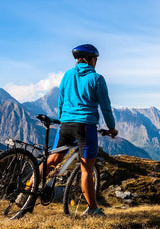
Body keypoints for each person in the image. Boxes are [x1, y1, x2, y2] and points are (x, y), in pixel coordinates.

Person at [45, 44, 118, 216]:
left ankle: (28, 188)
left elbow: (60, 101)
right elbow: (105, 107)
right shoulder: (97, 78)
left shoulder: (67, 75)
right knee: (86, 169)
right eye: (96, 59)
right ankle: (93, 209)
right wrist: (112, 128)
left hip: (65, 124)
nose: (96, 62)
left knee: (52, 159)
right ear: (91, 59)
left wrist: (63, 118)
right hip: (85, 126)